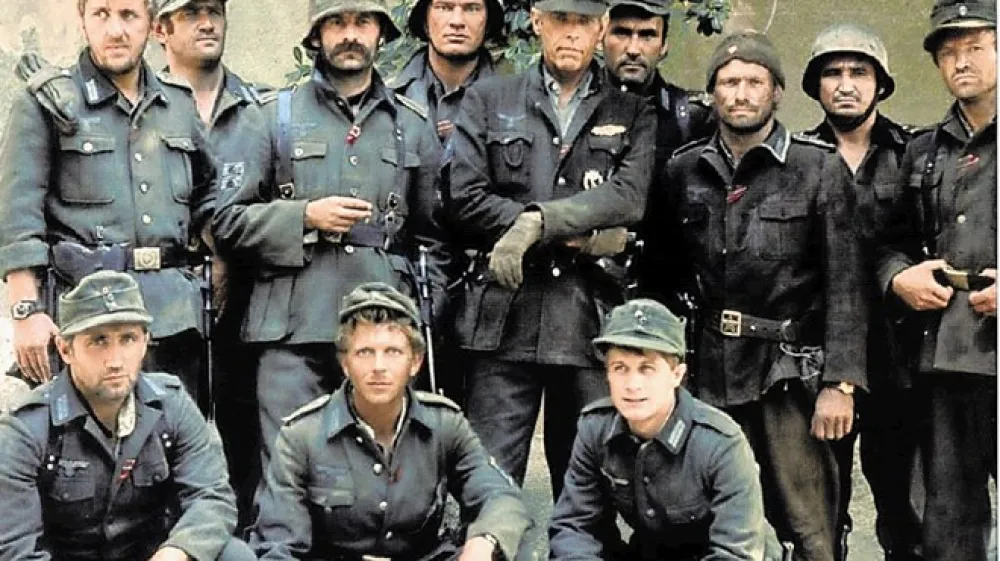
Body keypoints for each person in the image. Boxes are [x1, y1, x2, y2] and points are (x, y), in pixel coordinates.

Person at [211, 0, 449, 480]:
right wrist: (303, 217)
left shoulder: (411, 124)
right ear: (316, 35)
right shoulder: (270, 116)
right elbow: (226, 221)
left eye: (362, 22)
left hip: (380, 330)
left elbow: (433, 240)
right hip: (290, 333)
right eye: (336, 23)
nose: (350, 34)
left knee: (373, 473)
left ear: (381, 33)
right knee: (288, 474)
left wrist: (415, 313)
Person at [658, 30, 867, 561]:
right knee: (711, 519)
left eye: (754, 82)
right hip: (708, 373)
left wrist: (839, 384)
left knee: (808, 526)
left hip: (788, 377)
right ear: (712, 93)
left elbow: (847, 286)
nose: (741, 94)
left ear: (776, 92)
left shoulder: (818, 168)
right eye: (729, 82)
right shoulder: (683, 170)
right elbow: (662, 278)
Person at [447, 0, 655, 501]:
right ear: (537, 21)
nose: (571, 33)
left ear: (601, 28)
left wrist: (535, 223)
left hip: (588, 318)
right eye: (561, 20)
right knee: (487, 482)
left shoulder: (632, 111)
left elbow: (628, 197)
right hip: (504, 316)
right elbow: (465, 197)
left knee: (587, 488)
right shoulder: (488, 98)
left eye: (583, 22)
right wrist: (573, 230)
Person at [0, 0, 218, 407]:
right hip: (85, 319)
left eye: (128, 15)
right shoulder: (46, 104)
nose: (116, 30)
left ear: (151, 23)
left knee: (172, 438)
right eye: (101, 14)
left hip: (172, 320)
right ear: (82, 21)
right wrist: (26, 311)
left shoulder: (178, 104)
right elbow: (17, 217)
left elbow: (209, 203)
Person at [249, 282, 531, 561]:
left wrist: (484, 542)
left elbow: (500, 496)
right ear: (345, 364)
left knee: (507, 549)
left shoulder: (444, 425)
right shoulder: (302, 435)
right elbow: (277, 547)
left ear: (415, 362)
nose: (378, 367)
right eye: (364, 352)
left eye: (393, 352)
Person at [0, 270, 254, 561]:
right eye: (99, 341)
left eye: (128, 339)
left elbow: (212, 496)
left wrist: (178, 551)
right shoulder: (27, 430)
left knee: (234, 555)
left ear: (145, 342)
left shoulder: (171, 406)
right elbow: (14, 550)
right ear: (65, 349)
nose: (115, 360)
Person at [877, 1, 997, 560]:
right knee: (949, 523)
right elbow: (889, 243)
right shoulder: (923, 150)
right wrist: (900, 278)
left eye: (974, 48)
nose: (960, 62)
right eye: (948, 53)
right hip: (946, 355)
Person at [800, 23, 923, 561]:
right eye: (833, 73)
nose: (846, 84)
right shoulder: (797, 159)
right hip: (821, 356)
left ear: (881, 84)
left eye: (859, 72)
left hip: (902, 356)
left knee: (907, 506)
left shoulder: (915, 153)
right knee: (819, 510)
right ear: (815, 85)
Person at [153, 0, 272, 528]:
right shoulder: (144, 106)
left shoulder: (262, 108)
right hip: (168, 298)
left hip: (247, 294)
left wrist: (227, 254)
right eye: (191, 13)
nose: (207, 23)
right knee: (168, 431)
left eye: (214, 11)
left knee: (246, 434)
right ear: (161, 29)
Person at [549, 298, 771, 560]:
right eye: (620, 368)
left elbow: (735, 553)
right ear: (607, 374)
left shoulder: (721, 443)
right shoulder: (595, 429)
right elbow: (575, 527)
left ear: (677, 375)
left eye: (647, 369)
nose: (632, 384)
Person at [601, 0, 714, 320]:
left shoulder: (692, 119)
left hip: (665, 298)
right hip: (586, 291)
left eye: (647, 35)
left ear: (664, 46)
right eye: (622, 33)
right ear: (600, 38)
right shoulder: (574, 112)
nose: (633, 49)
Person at [392, 0, 502, 145]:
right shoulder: (386, 95)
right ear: (424, 20)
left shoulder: (515, 98)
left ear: (488, 22)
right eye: (443, 8)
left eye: (472, 9)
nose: (457, 22)